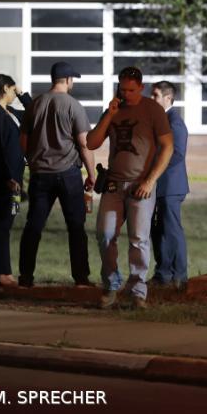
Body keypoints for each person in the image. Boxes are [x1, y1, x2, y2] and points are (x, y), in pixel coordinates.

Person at [87, 66, 173, 309]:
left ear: (141, 87)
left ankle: (138, 291)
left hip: (140, 186)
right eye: (122, 89)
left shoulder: (153, 110)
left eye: (131, 90)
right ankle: (111, 285)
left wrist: (150, 180)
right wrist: (108, 115)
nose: (126, 94)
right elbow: (92, 143)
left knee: (138, 240)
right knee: (105, 235)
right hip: (113, 185)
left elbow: (168, 147)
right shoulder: (114, 109)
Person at [18, 61, 97, 288]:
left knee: (33, 225)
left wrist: (33, 160)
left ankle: (26, 277)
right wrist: (91, 174)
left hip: (40, 174)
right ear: (68, 80)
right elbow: (84, 144)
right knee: (76, 227)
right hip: (68, 174)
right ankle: (81, 278)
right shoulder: (73, 105)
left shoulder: (35, 105)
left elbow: (23, 140)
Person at [0, 74, 31, 287]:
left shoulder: (8, 112)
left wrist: (22, 94)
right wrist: (9, 178)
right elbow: (0, 150)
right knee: (2, 222)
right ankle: (0, 271)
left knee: (6, 220)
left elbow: (31, 113)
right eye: (12, 90)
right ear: (4, 89)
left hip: (15, 176)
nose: (14, 94)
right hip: (6, 178)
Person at [149, 81, 190, 290]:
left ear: (168, 98)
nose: (152, 99)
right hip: (159, 186)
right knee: (158, 230)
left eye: (155, 95)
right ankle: (162, 274)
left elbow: (177, 154)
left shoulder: (175, 122)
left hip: (170, 186)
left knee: (172, 230)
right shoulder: (160, 120)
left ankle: (180, 277)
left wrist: (154, 171)